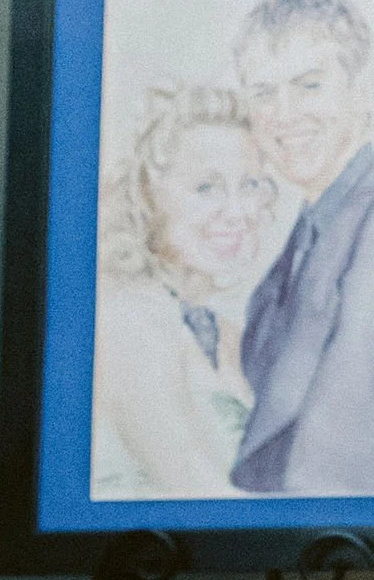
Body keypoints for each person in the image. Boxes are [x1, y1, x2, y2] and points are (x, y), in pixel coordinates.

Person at [231, 0, 374, 497]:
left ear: (361, 93)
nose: (283, 114)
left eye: (308, 85)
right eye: (263, 92)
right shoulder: (289, 254)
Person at [90, 85, 281, 498]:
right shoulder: (126, 317)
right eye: (206, 188)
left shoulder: (222, 331)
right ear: (148, 196)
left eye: (250, 184)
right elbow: (199, 492)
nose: (237, 212)